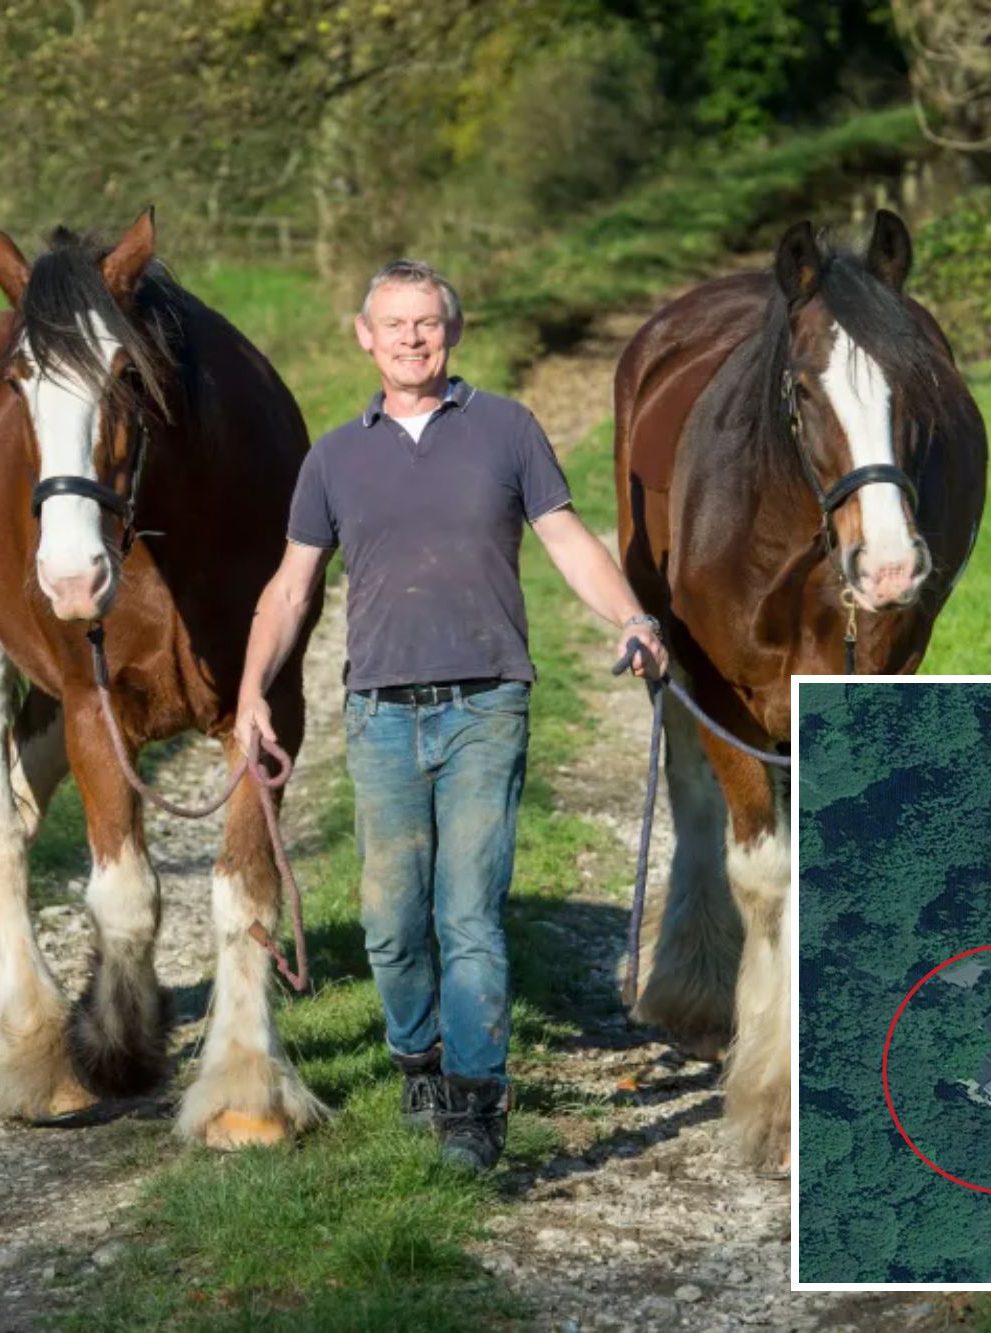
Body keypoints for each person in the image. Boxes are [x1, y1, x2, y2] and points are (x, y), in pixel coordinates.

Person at [235, 259, 668, 1170]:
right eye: (392, 323)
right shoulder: (334, 456)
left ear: (452, 331)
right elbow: (289, 588)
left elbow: (566, 540)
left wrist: (631, 616)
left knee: (468, 912)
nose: (410, 337)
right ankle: (417, 1059)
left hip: (486, 702)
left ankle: (477, 1102)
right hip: (381, 713)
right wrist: (249, 692)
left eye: (426, 321)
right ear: (365, 335)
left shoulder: (506, 429)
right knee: (392, 920)